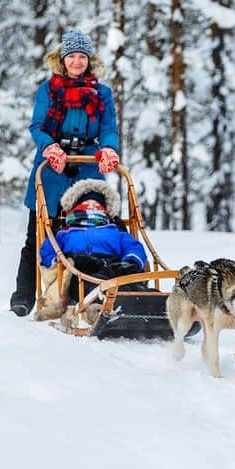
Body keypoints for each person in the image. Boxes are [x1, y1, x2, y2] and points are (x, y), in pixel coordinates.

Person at [10, 28, 121, 316]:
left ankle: (103, 290)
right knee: (38, 235)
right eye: (71, 56)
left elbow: (109, 129)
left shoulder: (102, 93)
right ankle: (24, 297)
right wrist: (50, 147)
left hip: (87, 168)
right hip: (51, 172)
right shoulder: (48, 90)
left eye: (81, 56)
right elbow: (38, 127)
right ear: (62, 59)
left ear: (89, 59)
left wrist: (109, 149)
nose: (76, 62)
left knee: (96, 230)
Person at [35, 180, 147, 321]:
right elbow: (47, 253)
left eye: (97, 205)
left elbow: (133, 247)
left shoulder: (114, 231)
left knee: (132, 286)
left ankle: (155, 304)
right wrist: (65, 260)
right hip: (81, 272)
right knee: (94, 286)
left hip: (114, 268)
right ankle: (103, 308)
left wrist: (131, 261)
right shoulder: (64, 233)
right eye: (86, 205)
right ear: (75, 208)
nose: (91, 208)